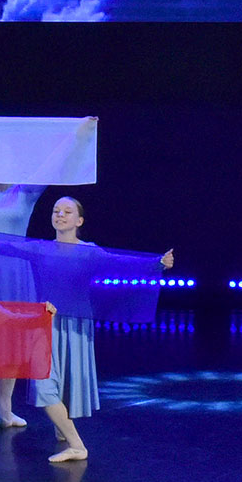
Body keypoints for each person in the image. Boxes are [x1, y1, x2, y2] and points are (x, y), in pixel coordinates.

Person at [34, 197, 173, 462]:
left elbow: (124, 262)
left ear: (79, 221)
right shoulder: (41, 248)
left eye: (67, 211)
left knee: (66, 383)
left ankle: (69, 437)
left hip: (76, 324)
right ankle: (74, 441)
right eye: (56, 211)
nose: (60, 215)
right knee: (43, 384)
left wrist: (157, 263)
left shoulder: (89, 252)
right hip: (45, 324)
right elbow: (0, 245)